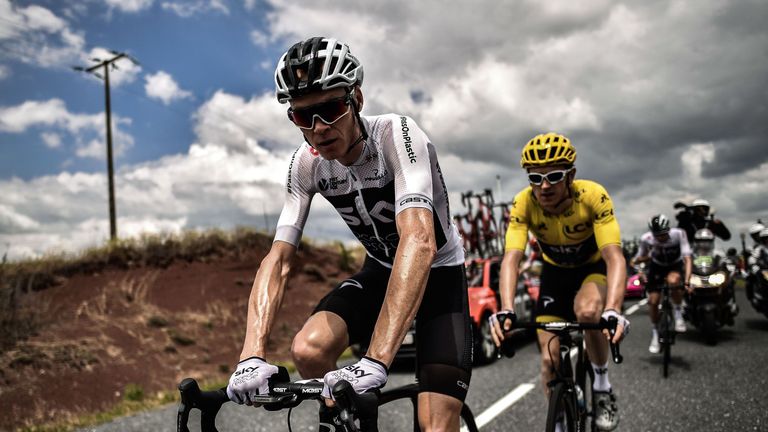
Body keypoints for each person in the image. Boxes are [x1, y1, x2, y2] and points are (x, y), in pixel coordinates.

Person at [223, 37, 472, 431]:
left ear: (356, 98)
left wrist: (375, 360)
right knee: (309, 349)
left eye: (331, 109)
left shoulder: (396, 135)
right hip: (380, 270)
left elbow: (419, 241)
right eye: (303, 117)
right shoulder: (306, 164)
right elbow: (280, 258)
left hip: (438, 275)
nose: (319, 128)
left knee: (436, 426)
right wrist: (251, 353)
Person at [489, 132, 629, 431]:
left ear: (571, 176)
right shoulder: (524, 203)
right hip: (555, 275)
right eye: (535, 178)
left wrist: (614, 309)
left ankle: (602, 388)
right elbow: (511, 259)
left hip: (592, 269)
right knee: (550, 362)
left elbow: (614, 256)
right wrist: (505, 308)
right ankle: (561, 418)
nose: (545, 186)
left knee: (589, 312)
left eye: (554, 176)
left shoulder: (592, 196)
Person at [630, 214, 692, 352]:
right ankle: (655, 332)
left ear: (669, 229)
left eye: (664, 234)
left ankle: (677, 312)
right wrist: (640, 272)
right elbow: (636, 260)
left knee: (673, 281)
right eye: (657, 235)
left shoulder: (679, 234)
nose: (661, 238)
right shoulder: (646, 239)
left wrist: (687, 280)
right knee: (653, 301)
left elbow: (687, 258)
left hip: (674, 266)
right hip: (656, 268)